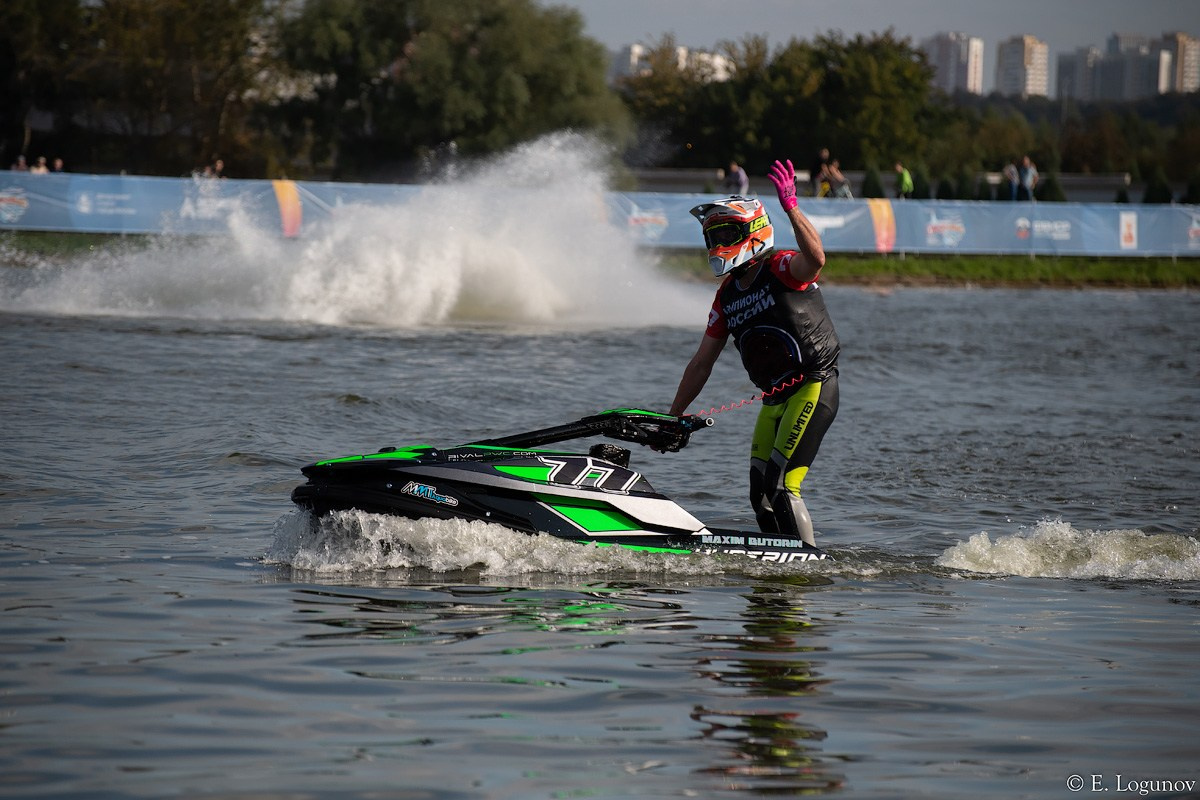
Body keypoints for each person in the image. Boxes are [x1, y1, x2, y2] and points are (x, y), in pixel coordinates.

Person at [667, 158, 840, 547]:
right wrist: (673, 416)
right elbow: (701, 363)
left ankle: (807, 561)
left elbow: (816, 260)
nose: (718, 245)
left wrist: (791, 208)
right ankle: (776, 562)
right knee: (759, 494)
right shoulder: (726, 296)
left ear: (754, 231)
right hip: (774, 400)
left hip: (813, 387)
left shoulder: (781, 268)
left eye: (726, 234)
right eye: (713, 238)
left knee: (782, 486)